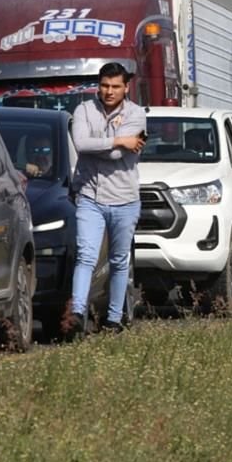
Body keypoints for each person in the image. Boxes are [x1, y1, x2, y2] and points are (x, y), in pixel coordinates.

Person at [67, 62, 146, 334]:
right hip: (90, 196)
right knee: (86, 255)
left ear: (126, 88)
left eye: (115, 87)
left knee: (119, 259)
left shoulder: (137, 115)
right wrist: (116, 140)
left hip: (124, 199)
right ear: (98, 86)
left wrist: (104, 144)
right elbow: (80, 144)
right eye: (104, 86)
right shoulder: (84, 110)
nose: (109, 91)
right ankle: (77, 311)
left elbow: (114, 156)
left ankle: (114, 318)